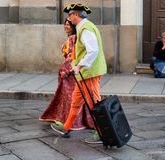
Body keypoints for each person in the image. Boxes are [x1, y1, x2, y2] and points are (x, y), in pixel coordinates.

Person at [50, 3, 107, 144]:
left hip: (90, 73)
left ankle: (102, 132)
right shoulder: (84, 27)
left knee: (94, 102)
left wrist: (80, 65)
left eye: (70, 15)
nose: (68, 18)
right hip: (85, 73)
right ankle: (67, 127)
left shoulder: (86, 29)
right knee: (76, 101)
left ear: (76, 15)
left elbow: (93, 50)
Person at [39, 18, 94, 130]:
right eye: (65, 24)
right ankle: (73, 122)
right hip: (71, 73)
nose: (66, 26)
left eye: (68, 24)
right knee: (75, 98)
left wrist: (67, 71)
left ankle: (70, 123)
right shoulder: (73, 38)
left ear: (73, 26)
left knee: (70, 98)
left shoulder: (73, 38)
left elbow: (71, 58)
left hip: (69, 74)